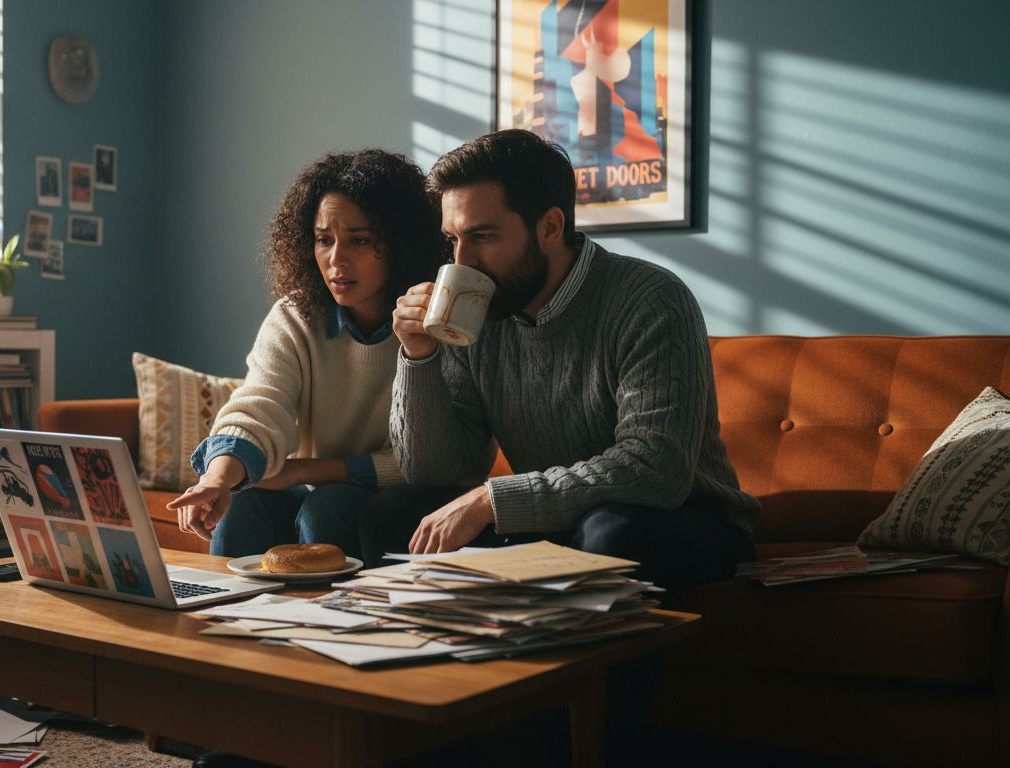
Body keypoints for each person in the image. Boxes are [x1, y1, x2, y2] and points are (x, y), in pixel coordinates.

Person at [374, 128, 759, 593]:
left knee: (610, 532)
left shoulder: (651, 299)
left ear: (550, 227)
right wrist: (419, 356)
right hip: (558, 520)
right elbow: (432, 470)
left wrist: (491, 500)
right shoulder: (480, 310)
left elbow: (654, 470)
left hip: (684, 518)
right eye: (452, 239)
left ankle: (586, 667)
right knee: (395, 512)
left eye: (483, 236)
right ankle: (446, 659)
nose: (462, 261)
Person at [168, 149, 443, 558]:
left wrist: (308, 471)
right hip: (315, 489)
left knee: (330, 505)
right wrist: (217, 480)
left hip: (411, 496)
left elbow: (442, 459)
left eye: (360, 240)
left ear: (401, 240)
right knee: (244, 502)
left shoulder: (437, 318)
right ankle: (227, 617)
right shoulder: (295, 317)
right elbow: (260, 405)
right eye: (323, 240)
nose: (336, 260)